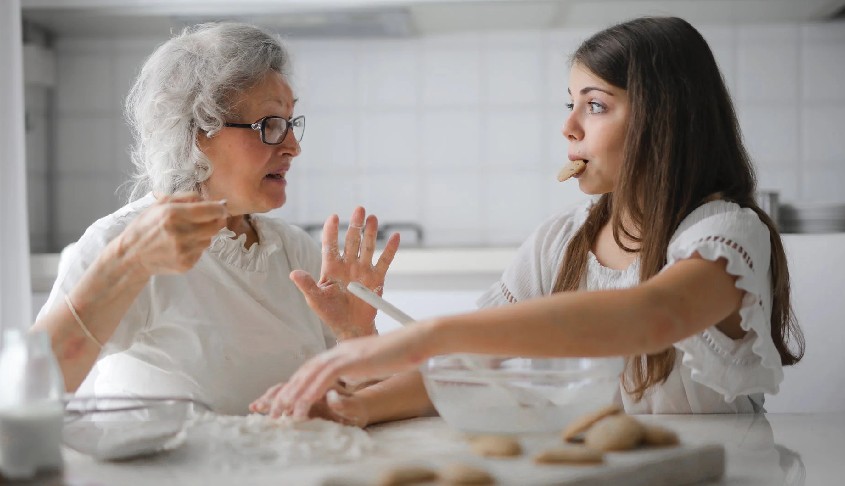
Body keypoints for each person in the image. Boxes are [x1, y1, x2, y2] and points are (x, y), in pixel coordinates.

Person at [252, 16, 805, 423]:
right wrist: (358, 406)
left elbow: (654, 315)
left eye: (595, 105)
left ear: (665, 119)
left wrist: (432, 332)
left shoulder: (726, 234)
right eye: (570, 103)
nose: (568, 127)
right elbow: (472, 366)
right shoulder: (560, 241)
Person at [31, 23, 399, 415]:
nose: (293, 146)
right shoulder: (122, 241)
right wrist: (126, 263)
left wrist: (356, 336)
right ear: (195, 133)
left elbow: (356, 406)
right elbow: (30, 390)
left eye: (291, 123)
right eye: (270, 125)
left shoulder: (294, 252)